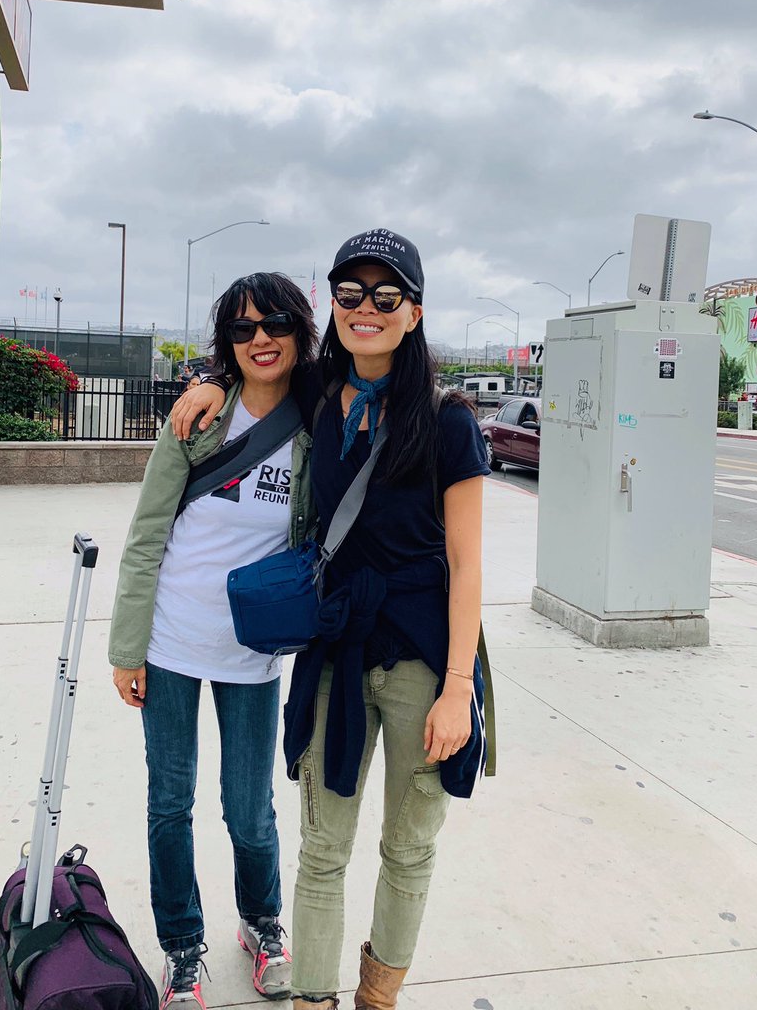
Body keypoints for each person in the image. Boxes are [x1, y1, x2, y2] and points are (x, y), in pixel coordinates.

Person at [171, 230, 492, 1010]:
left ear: (413, 313)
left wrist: (458, 690)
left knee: (408, 849)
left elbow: (468, 565)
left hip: (421, 658)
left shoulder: (449, 422)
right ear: (334, 306)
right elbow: (257, 364)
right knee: (321, 849)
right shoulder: (317, 391)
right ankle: (313, 1000)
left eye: (387, 296)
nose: (367, 309)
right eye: (351, 294)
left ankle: (377, 998)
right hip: (334, 651)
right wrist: (211, 379)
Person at [109, 273, 318, 1009]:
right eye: (241, 327)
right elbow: (146, 536)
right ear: (226, 340)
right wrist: (126, 647)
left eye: (275, 323)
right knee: (169, 802)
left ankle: (262, 924)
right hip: (169, 643)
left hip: (252, 654)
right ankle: (181, 947)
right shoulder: (198, 418)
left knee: (249, 808)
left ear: (301, 328)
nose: (260, 338)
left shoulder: (316, 419)